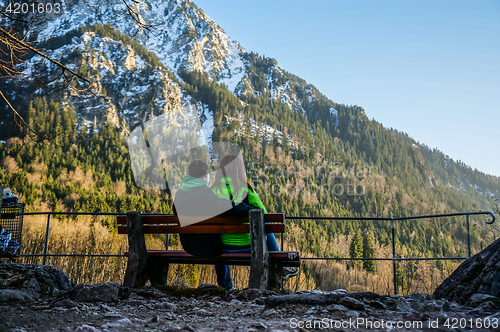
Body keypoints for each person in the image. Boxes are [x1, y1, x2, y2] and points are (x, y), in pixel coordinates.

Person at [211, 155, 299, 283]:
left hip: (223, 247)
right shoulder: (245, 189)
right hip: (249, 246)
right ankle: (281, 266)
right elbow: (264, 213)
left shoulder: (213, 191)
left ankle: (225, 285)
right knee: (266, 223)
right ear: (239, 170)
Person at [173, 159, 256, 290]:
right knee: (221, 242)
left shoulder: (179, 195)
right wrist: (252, 208)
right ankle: (227, 287)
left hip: (187, 245)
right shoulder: (206, 196)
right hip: (208, 247)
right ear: (206, 174)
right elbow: (231, 208)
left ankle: (226, 286)